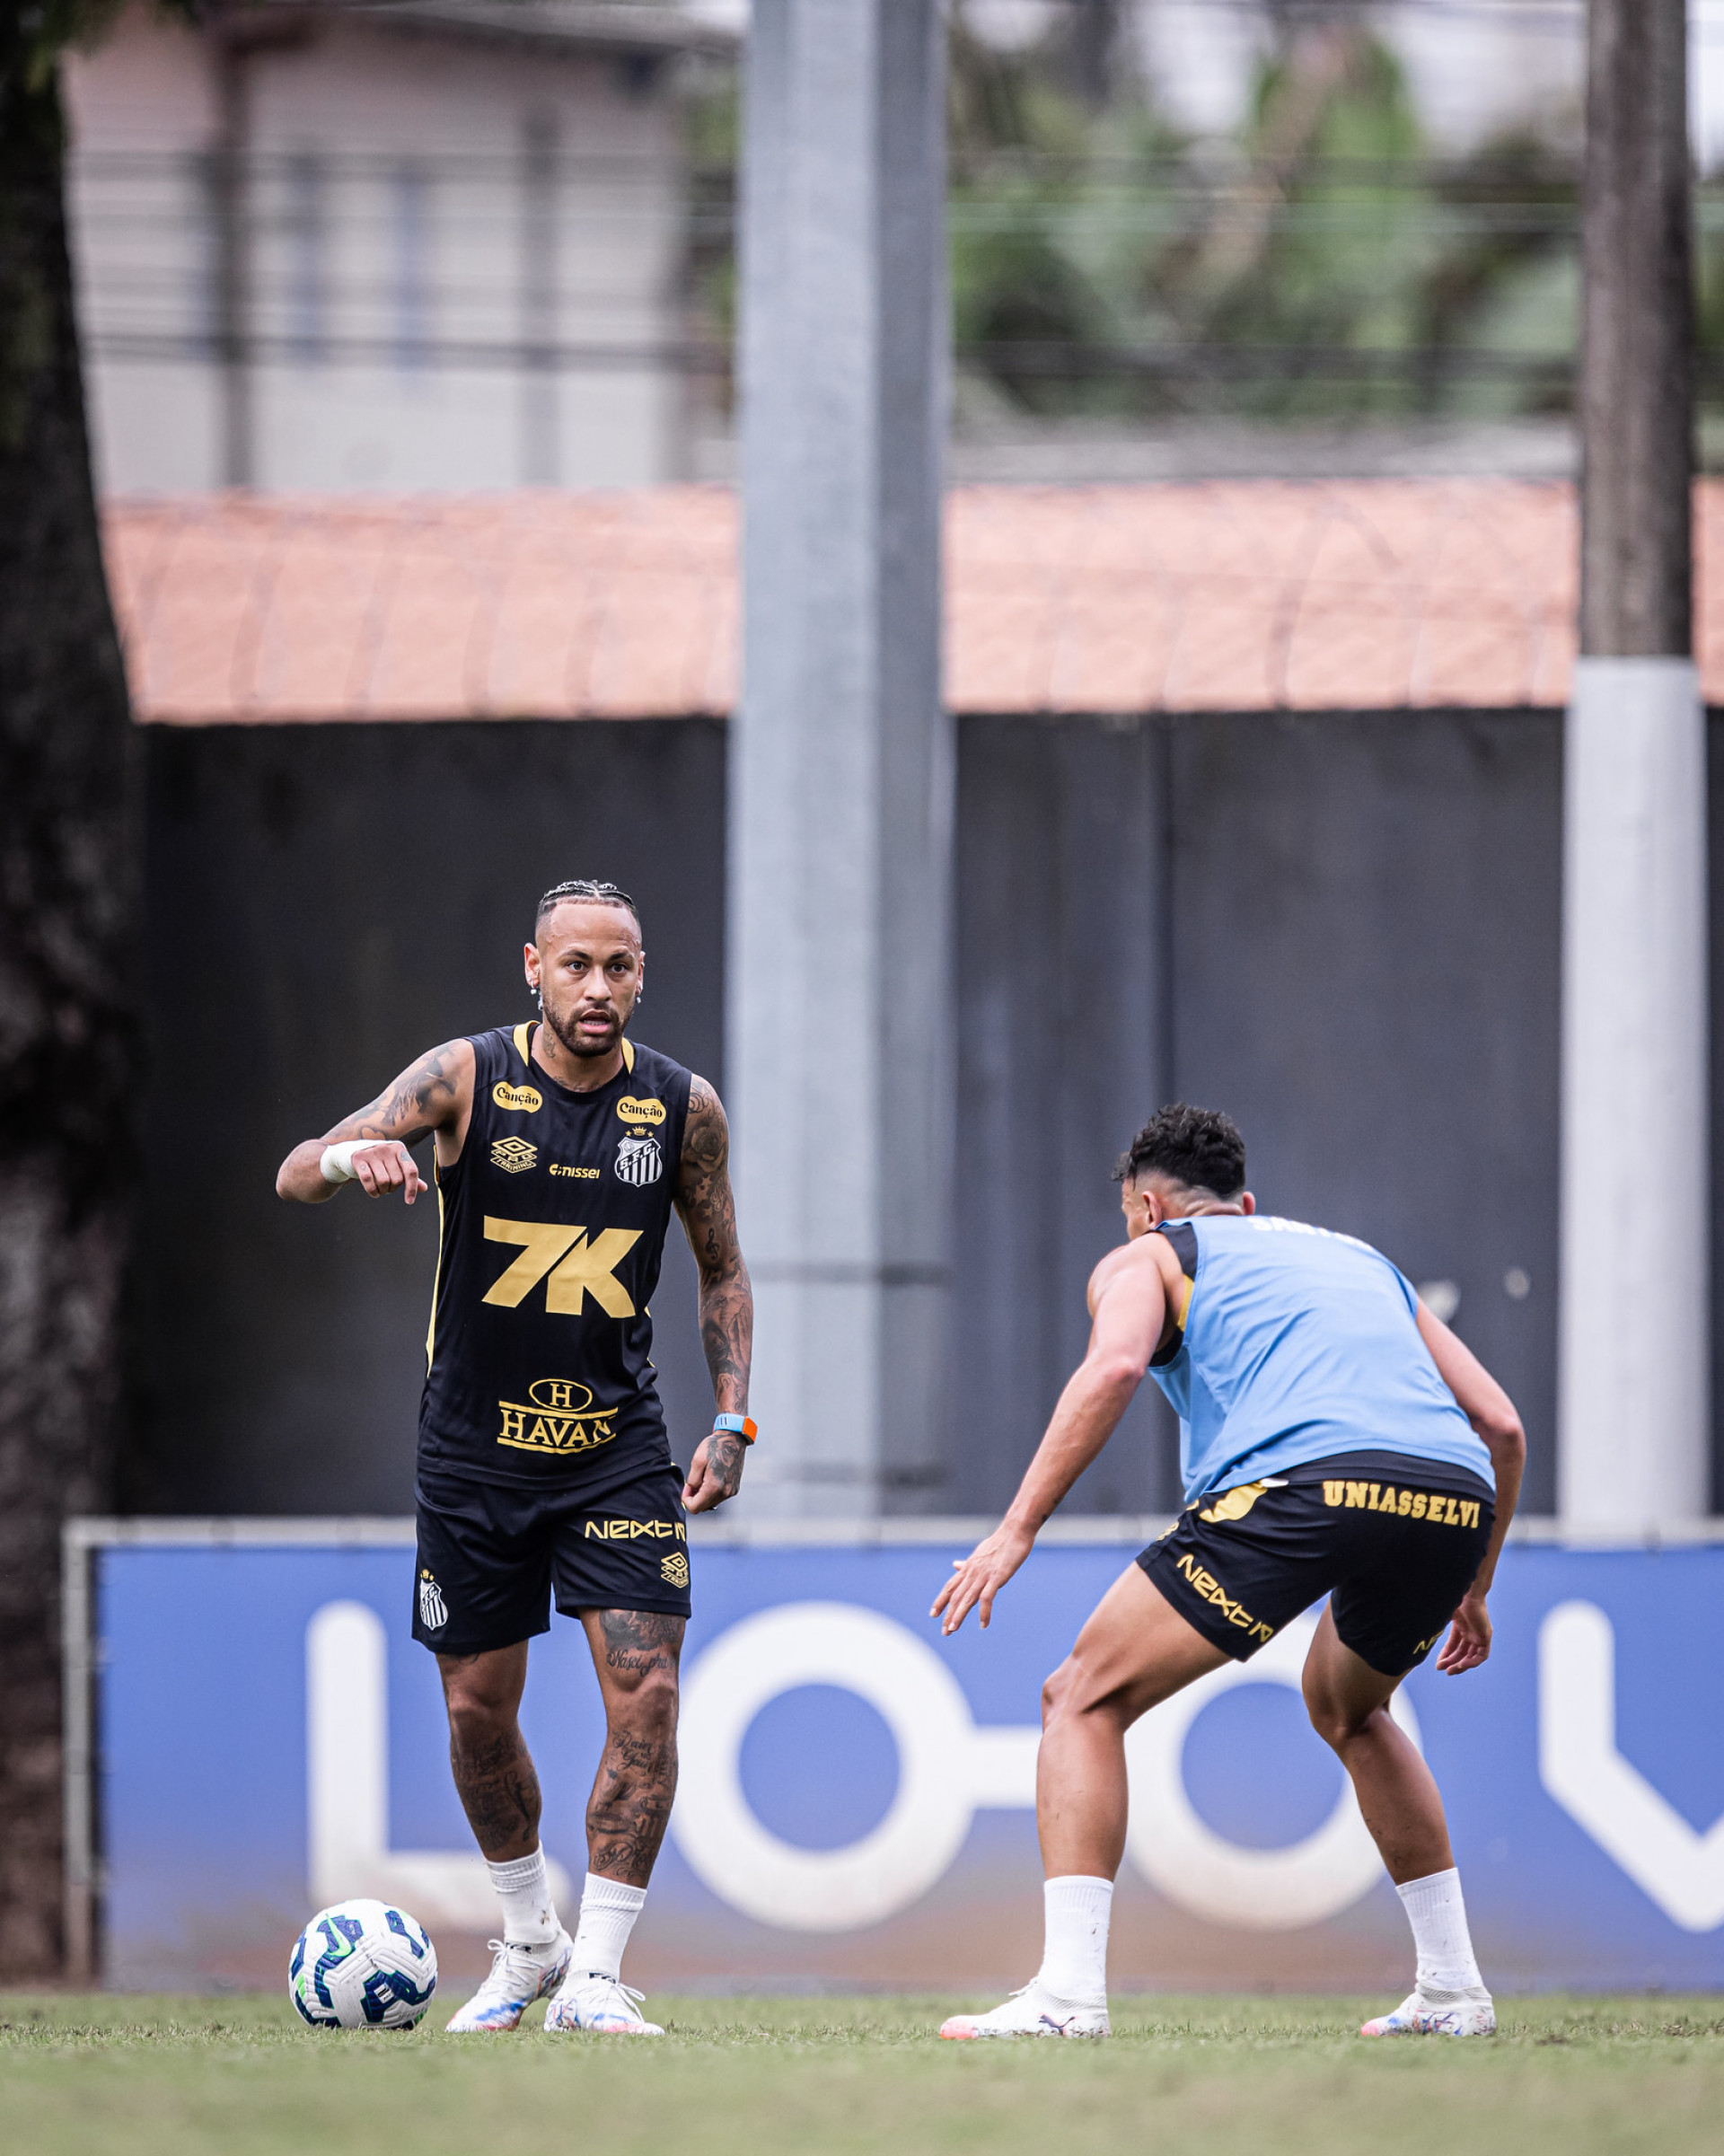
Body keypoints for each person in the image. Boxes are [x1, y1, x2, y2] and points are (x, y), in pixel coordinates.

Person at [933, 1104, 1523, 2042]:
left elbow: (1116, 1367)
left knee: (1080, 1697)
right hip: (1451, 1494)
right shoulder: (1364, 1260)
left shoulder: (1152, 1254)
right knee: (1352, 1708)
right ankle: (1454, 1990)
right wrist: (1477, 1582)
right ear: (1244, 1204)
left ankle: (1067, 1997)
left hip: (1302, 1486)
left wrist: (1015, 1528)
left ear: (1146, 1204)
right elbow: (1500, 1426)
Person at [276, 878, 753, 2037]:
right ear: (531, 968)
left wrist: (732, 1418)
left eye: (622, 967)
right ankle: (531, 1940)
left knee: (648, 1692)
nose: (600, 989)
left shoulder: (682, 1108)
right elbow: (296, 1166)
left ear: (644, 973)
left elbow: (723, 1267)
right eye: (578, 965)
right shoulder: (464, 1078)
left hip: (616, 1451)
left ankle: (595, 1974)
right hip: (473, 1455)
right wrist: (359, 1163)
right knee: (477, 1709)